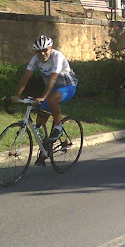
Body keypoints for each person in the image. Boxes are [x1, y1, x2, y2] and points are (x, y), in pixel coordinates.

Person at [12, 35, 78, 164]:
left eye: (45, 50)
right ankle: (46, 148)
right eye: (38, 51)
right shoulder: (36, 59)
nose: (42, 53)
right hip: (52, 89)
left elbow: (53, 79)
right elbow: (26, 77)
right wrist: (17, 95)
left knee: (51, 99)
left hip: (68, 86)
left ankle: (58, 127)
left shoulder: (57, 56)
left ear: (50, 48)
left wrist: (43, 97)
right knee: (39, 121)